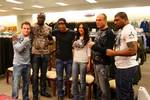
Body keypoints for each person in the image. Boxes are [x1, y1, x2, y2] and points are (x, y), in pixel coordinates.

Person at [106, 12, 138, 100]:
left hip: (126, 68)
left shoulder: (129, 30)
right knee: (126, 92)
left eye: (117, 20)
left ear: (125, 19)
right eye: (114, 20)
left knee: (122, 94)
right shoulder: (123, 29)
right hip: (122, 66)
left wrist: (114, 53)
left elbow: (133, 50)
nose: (115, 22)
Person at [88, 13, 116, 100]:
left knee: (104, 88)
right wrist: (92, 59)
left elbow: (108, 51)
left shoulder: (109, 33)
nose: (97, 22)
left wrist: (93, 46)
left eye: (99, 20)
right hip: (96, 63)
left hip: (103, 64)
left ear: (105, 20)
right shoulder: (98, 31)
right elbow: (97, 47)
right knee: (98, 86)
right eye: (96, 20)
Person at [52, 18, 75, 100]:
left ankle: (67, 91)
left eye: (62, 23)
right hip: (59, 59)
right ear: (57, 25)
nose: (61, 25)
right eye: (59, 24)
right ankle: (60, 94)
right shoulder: (55, 32)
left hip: (69, 59)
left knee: (68, 78)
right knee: (59, 78)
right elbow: (47, 34)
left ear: (66, 24)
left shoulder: (72, 33)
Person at [31, 12, 52, 100]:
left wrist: (49, 40)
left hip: (45, 54)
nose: (40, 19)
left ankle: (43, 91)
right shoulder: (32, 27)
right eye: (39, 17)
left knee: (44, 74)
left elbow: (51, 41)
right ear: (37, 18)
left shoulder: (48, 28)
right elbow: (29, 38)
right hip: (35, 54)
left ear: (44, 19)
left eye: (42, 18)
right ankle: (35, 94)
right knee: (35, 75)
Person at [12, 21, 31, 100]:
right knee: (16, 84)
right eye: (24, 28)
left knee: (26, 83)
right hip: (18, 64)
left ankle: (25, 97)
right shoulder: (15, 37)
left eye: (28, 29)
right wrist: (25, 40)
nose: (26, 30)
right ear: (21, 29)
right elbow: (18, 49)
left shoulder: (31, 38)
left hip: (27, 64)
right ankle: (14, 98)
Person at [72, 23, 91, 100]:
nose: (80, 29)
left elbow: (89, 51)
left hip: (83, 61)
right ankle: (75, 96)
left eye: (82, 28)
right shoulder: (76, 37)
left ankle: (82, 97)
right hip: (75, 61)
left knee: (82, 81)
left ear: (85, 29)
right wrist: (74, 57)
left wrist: (89, 62)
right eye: (79, 27)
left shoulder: (88, 39)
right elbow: (73, 49)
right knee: (74, 80)